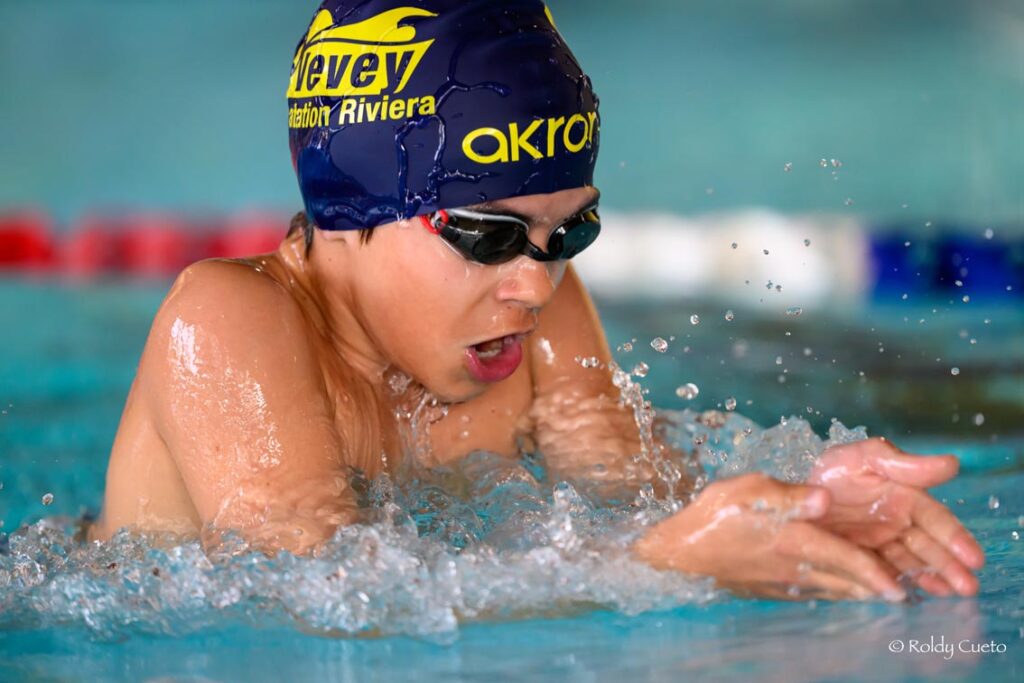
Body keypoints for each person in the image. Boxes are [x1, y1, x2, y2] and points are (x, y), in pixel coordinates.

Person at [89, 0, 984, 602]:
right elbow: (332, 599)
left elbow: (635, 493)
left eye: (570, 231)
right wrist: (663, 562)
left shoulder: (537, 307)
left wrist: (803, 509)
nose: (534, 282)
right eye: (489, 234)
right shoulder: (227, 320)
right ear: (351, 211)